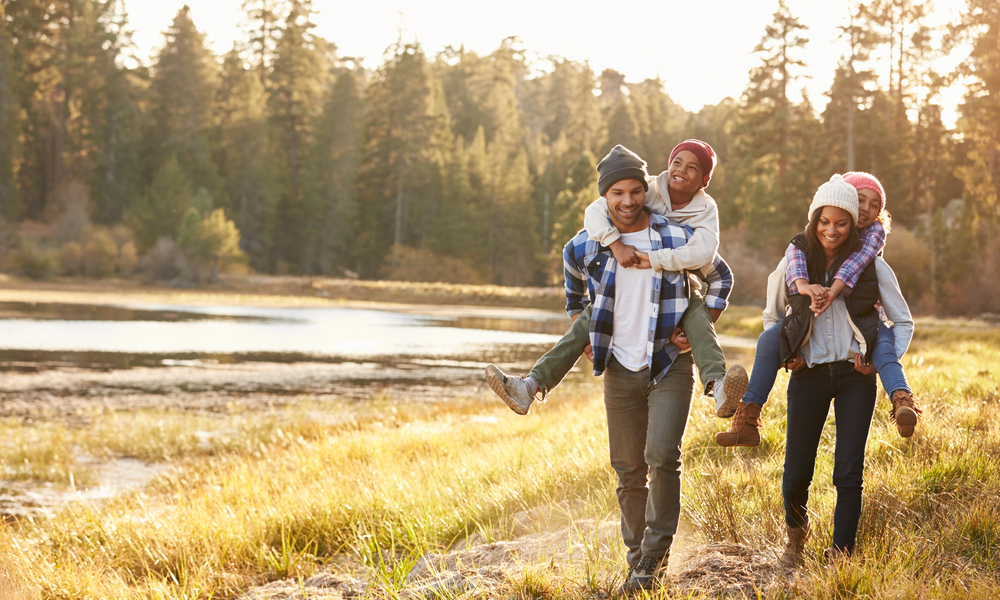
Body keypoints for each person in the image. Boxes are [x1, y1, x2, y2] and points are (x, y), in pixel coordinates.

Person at [559, 145, 735, 593]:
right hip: (619, 364)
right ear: (605, 197)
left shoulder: (675, 235)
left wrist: (699, 324)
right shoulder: (589, 240)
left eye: (636, 191)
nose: (628, 200)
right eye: (617, 192)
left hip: (668, 361)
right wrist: (583, 326)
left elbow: (720, 274)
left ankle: (653, 562)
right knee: (627, 469)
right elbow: (573, 280)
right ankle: (637, 560)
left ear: (645, 192)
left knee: (662, 456)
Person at [485, 141, 747, 420]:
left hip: (680, 288)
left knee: (697, 314)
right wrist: (614, 244)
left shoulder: (704, 212)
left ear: (705, 180)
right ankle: (529, 386)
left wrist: (697, 325)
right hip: (622, 289)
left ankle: (718, 386)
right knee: (590, 317)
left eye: (692, 167)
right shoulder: (647, 189)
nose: (681, 170)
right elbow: (596, 212)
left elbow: (709, 257)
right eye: (677, 162)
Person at [756, 175, 914, 565]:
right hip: (808, 375)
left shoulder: (873, 266)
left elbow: (903, 321)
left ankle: (841, 552)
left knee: (848, 471)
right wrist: (789, 352)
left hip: (853, 378)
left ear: (851, 224)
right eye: (826, 221)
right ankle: (796, 539)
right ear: (816, 219)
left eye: (842, 222)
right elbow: (771, 317)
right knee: (796, 471)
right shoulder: (795, 263)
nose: (833, 229)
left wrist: (877, 360)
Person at [716, 172, 921, 447]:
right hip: (809, 355)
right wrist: (789, 350)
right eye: (860, 201)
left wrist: (833, 291)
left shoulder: (870, 250)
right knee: (767, 340)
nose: (866, 210)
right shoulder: (800, 248)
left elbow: (858, 266)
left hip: (863, 332)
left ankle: (902, 399)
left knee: (883, 344)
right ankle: (748, 417)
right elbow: (776, 305)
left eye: (875, 205)